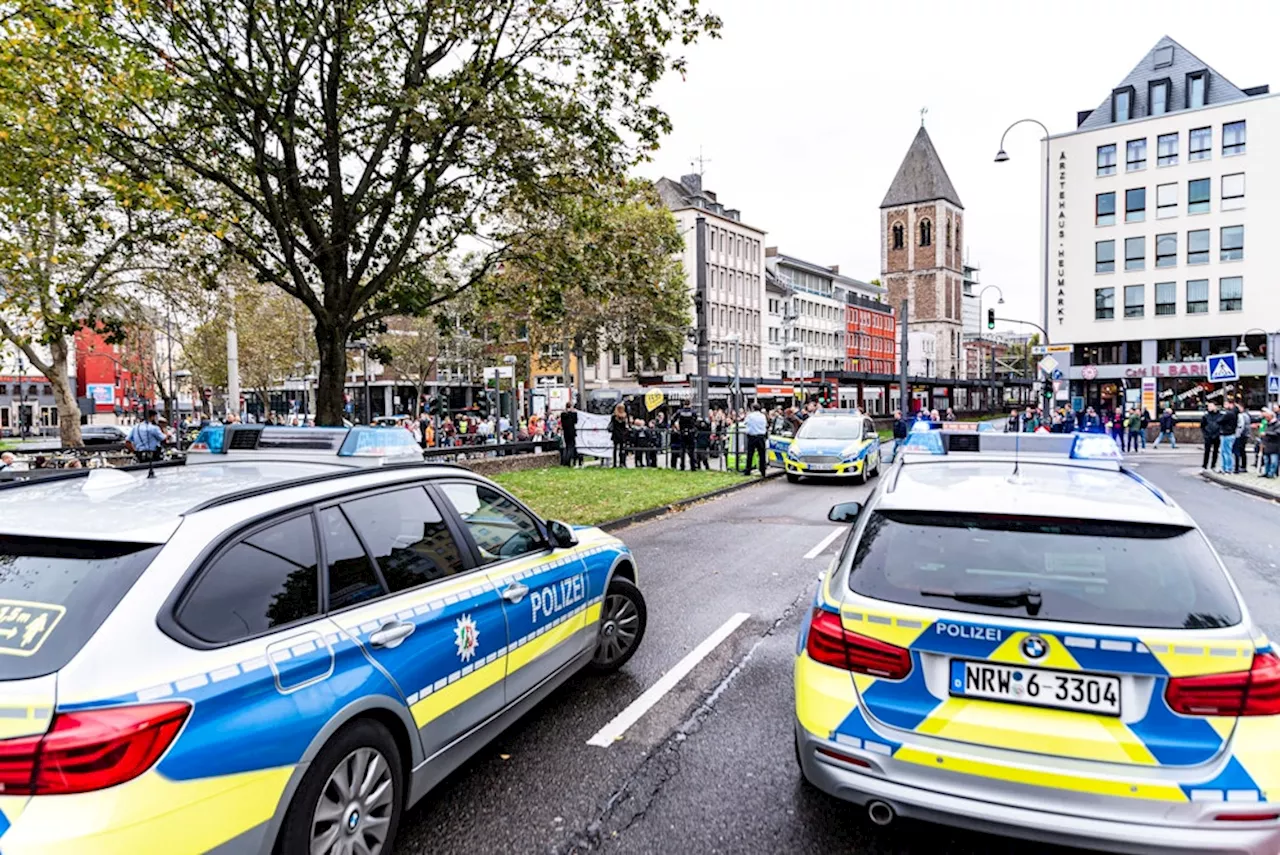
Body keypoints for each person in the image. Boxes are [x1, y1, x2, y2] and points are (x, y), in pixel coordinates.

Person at [744, 403, 767, 477]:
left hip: (752, 436)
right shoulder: (763, 416)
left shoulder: (750, 416)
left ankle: (748, 470)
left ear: (752, 408)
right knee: (762, 454)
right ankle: (763, 471)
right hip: (761, 436)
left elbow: (745, 423)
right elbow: (765, 425)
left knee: (750, 454)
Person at [673, 401, 698, 470]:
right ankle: (693, 466)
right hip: (690, 432)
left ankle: (682, 466)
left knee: (682, 450)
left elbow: (673, 420)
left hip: (682, 432)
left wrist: (677, 428)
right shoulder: (693, 412)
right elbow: (696, 421)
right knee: (691, 450)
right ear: (690, 404)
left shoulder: (679, 411)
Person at [1218, 400, 1239, 475]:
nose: (1224, 406)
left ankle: (1227, 468)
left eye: (1226, 404)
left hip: (1227, 433)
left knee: (1226, 452)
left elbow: (1219, 420)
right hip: (1230, 433)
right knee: (1226, 451)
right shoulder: (1235, 413)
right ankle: (1225, 468)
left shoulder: (1229, 413)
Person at [1199, 403, 1222, 471]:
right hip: (1208, 435)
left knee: (1215, 451)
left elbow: (1221, 425)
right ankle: (1205, 465)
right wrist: (1205, 434)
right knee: (1207, 451)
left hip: (1217, 435)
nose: (1209, 408)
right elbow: (1202, 426)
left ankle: (1213, 465)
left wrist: (1218, 433)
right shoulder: (1206, 416)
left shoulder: (1220, 415)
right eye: (1208, 407)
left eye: (1211, 406)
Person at [609, 403, 630, 468]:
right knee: (622, 449)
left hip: (615, 434)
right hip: (622, 434)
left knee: (615, 449)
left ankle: (615, 463)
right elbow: (626, 425)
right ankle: (622, 463)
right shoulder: (625, 416)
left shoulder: (614, 416)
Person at [1261, 409, 1280, 478]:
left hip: (1274, 445)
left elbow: (1277, 433)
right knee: (1266, 461)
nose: (1266, 418)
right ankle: (1267, 472)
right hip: (1267, 445)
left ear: (1271, 416)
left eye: (1267, 417)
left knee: (1273, 461)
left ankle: (1271, 473)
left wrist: (1266, 433)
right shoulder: (1267, 424)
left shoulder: (1277, 424)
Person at [1234, 402, 1251, 474]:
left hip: (1243, 435)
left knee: (1241, 450)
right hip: (1244, 434)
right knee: (1241, 450)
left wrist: (1239, 434)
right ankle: (1242, 465)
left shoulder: (1244, 416)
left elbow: (1243, 426)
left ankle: (1243, 466)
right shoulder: (1244, 415)